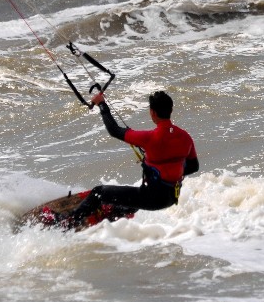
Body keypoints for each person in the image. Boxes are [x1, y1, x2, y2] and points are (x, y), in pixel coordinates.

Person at [68, 90, 198, 225]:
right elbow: (194, 167)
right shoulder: (185, 137)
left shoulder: (150, 138)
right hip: (171, 198)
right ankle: (111, 215)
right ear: (171, 110)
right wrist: (167, 171)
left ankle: (69, 222)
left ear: (152, 112)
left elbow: (114, 130)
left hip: (151, 199)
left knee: (98, 192)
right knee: (132, 202)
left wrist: (101, 104)